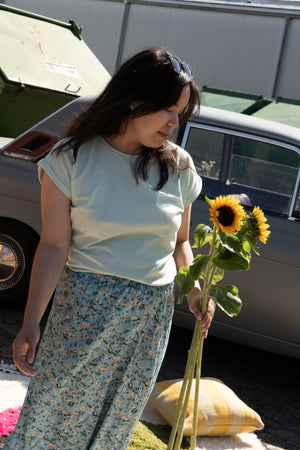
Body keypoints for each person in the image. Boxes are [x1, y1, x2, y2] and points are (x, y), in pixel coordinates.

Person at [4, 48, 215, 450]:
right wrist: (32, 319)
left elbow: (181, 243)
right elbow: (52, 245)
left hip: (150, 317)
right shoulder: (70, 159)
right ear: (135, 99)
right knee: (55, 410)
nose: (175, 122)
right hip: (85, 307)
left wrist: (195, 290)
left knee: (116, 420)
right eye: (168, 109)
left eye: (180, 112)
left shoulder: (180, 168)